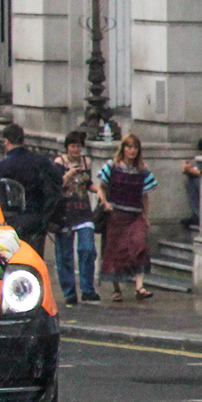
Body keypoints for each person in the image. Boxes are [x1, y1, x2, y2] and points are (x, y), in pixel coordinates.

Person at [93, 125, 157, 301]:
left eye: (135, 147)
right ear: (123, 149)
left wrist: (146, 216)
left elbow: (144, 195)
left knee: (140, 245)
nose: (132, 151)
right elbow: (101, 186)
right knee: (115, 251)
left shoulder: (142, 169)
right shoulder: (113, 166)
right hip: (116, 214)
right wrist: (105, 203)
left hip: (135, 214)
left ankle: (139, 286)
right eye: (129, 147)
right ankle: (117, 289)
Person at [0, 122, 61, 262]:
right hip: (38, 219)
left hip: (13, 221)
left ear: (6, 141)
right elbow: (57, 184)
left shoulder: (2, 167)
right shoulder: (41, 161)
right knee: (34, 260)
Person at [50, 129, 99, 306]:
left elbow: (89, 182)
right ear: (67, 147)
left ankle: (88, 289)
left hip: (83, 211)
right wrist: (67, 176)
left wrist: (99, 191)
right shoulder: (59, 163)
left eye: (78, 146)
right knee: (65, 255)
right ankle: (69, 291)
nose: (75, 149)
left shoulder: (86, 162)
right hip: (65, 213)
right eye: (72, 146)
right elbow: (55, 185)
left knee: (87, 249)